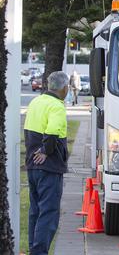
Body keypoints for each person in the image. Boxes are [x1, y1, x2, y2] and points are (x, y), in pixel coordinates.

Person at [24, 71, 69, 255]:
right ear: (64, 88)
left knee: (35, 211)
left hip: (31, 165)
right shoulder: (57, 106)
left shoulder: (36, 101)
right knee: (49, 212)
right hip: (49, 167)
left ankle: (33, 249)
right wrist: (45, 151)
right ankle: (39, 252)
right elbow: (52, 132)